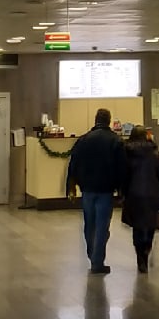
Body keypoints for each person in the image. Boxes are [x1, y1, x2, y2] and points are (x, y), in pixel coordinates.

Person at [67, 107, 125, 274]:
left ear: (95, 120)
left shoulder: (83, 140)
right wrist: (122, 190)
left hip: (87, 189)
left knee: (89, 224)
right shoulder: (115, 140)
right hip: (106, 190)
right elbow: (122, 168)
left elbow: (73, 163)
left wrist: (71, 185)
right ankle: (97, 261)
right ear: (109, 120)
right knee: (102, 226)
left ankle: (92, 254)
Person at [121, 125, 159, 273]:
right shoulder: (154, 154)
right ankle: (147, 249)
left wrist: (123, 193)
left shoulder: (127, 153)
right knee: (150, 225)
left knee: (137, 227)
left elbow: (124, 176)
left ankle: (140, 257)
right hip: (152, 194)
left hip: (133, 195)